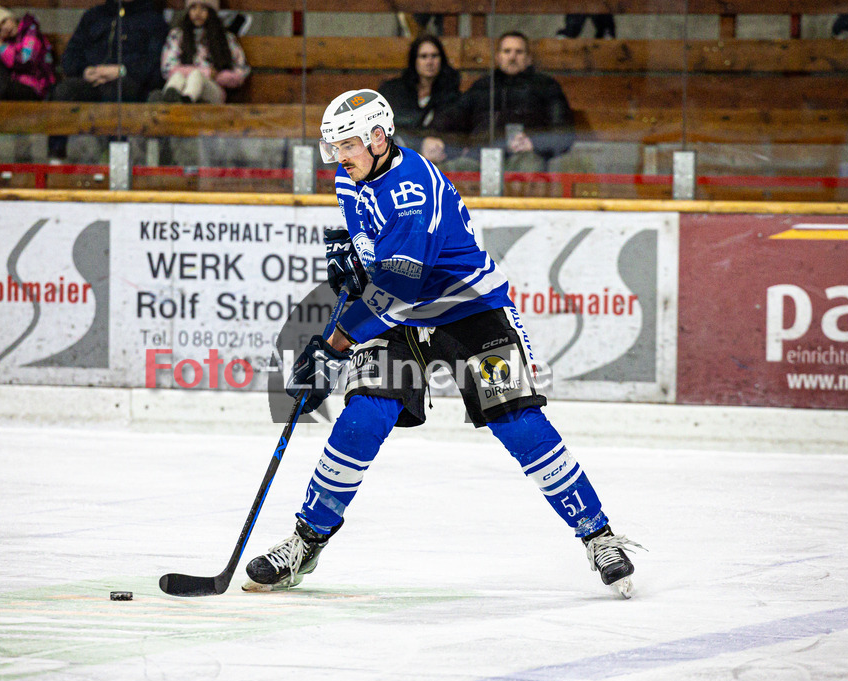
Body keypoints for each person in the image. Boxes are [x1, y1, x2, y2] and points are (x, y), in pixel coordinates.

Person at [242, 89, 643, 596]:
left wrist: (334, 344)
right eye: (334, 147)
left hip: (468, 308)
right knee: (363, 418)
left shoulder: (413, 189)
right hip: (398, 315)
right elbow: (375, 256)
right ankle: (305, 543)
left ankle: (599, 537)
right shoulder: (353, 173)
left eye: (346, 145)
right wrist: (351, 254)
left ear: (379, 137)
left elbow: (399, 288)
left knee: (515, 418)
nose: (338, 158)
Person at [429, 32, 575, 173]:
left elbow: (564, 131)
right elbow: (452, 118)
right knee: (452, 170)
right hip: (480, 155)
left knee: (528, 168)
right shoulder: (483, 86)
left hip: (525, 155)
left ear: (528, 58)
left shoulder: (546, 86)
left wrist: (534, 144)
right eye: (507, 51)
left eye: (519, 52)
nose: (512, 57)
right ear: (498, 57)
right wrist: (434, 138)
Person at [48, 0, 168, 161]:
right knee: (64, 91)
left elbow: (153, 63)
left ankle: (116, 159)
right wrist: (85, 71)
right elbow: (70, 56)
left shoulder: (153, 21)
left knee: (117, 90)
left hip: (131, 82)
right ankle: (56, 159)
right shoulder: (93, 16)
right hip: (92, 79)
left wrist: (121, 70)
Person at [377, 35, 459, 161]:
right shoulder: (394, 91)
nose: (429, 62)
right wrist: (421, 143)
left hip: (439, 157)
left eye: (434, 56)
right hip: (400, 154)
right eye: (423, 56)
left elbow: (456, 131)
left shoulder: (452, 94)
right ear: (414, 60)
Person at [155, 0, 249, 104]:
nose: (197, 13)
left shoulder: (224, 38)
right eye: (193, 8)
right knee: (177, 77)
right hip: (184, 84)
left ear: (211, 12)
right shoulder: (178, 35)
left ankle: (186, 102)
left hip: (213, 90)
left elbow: (241, 70)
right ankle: (166, 99)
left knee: (196, 76)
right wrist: (206, 72)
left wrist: (217, 76)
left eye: (203, 8)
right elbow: (168, 68)